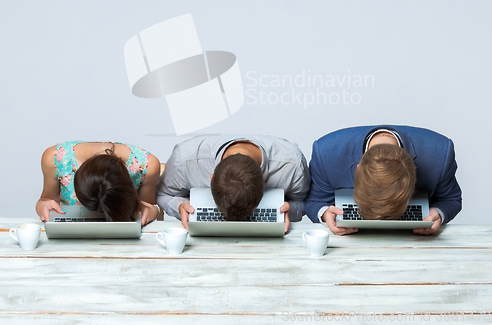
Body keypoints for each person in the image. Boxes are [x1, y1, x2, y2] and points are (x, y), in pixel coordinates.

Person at [305, 125, 462, 236]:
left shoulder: (440, 153)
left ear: (413, 170)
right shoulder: (326, 152)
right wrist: (324, 213)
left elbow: (451, 199)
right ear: (357, 168)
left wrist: (439, 213)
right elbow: (314, 202)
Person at [156, 134, 311, 232]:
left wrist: (290, 210)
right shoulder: (185, 159)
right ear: (211, 178)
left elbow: (305, 202)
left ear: (264, 180)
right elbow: (162, 194)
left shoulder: (292, 165)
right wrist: (179, 206)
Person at [36, 141, 161, 226]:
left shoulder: (146, 166)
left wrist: (152, 211)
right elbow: (46, 199)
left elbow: (148, 206)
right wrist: (43, 206)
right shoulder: (55, 159)